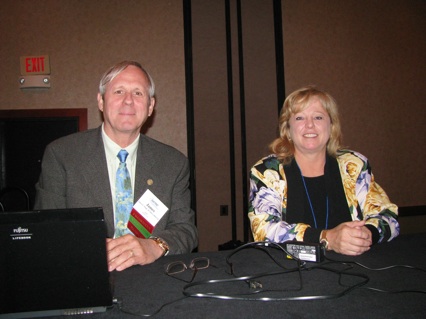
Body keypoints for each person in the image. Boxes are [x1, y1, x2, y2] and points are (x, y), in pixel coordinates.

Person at [34, 60, 198, 270]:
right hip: (84, 275)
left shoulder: (173, 163)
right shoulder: (62, 155)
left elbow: (186, 230)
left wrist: (154, 245)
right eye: (119, 91)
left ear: (150, 106)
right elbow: (46, 230)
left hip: (153, 281)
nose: (128, 101)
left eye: (138, 93)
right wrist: (89, 248)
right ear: (101, 102)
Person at [248, 86, 399, 256]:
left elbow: (388, 217)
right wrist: (327, 238)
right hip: (291, 272)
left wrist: (368, 233)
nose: (310, 125)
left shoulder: (354, 165)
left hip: (354, 269)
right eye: (300, 118)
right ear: (287, 129)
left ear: (331, 125)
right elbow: (263, 231)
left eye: (318, 117)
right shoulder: (268, 171)